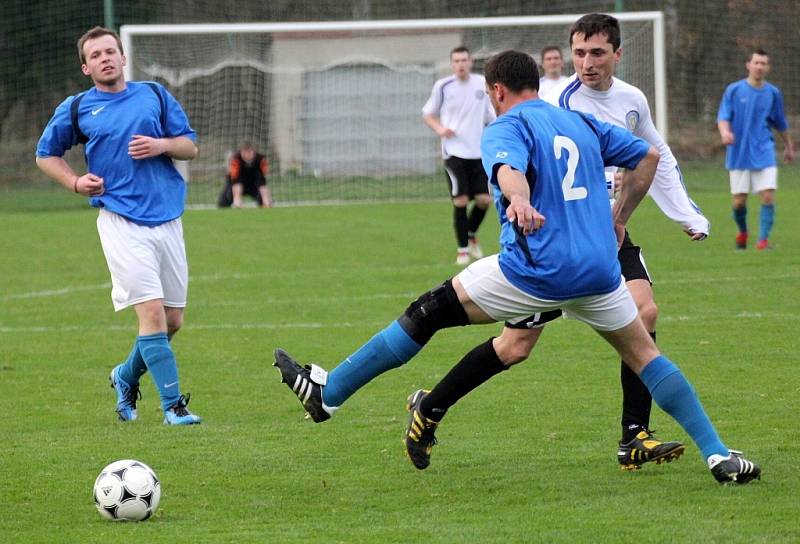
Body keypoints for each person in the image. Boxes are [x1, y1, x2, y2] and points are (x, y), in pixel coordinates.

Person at [274, 50, 760, 485]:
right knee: (644, 357)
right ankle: (718, 455)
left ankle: (328, 393)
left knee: (427, 313)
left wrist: (520, 200)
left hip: (536, 270)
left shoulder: (506, 126)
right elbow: (649, 155)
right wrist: (619, 220)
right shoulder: (578, 121)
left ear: (498, 91)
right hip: (598, 271)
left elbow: (508, 170)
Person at [536, 13, 712, 469]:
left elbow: (657, 154)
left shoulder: (632, 100)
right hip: (561, 236)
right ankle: (432, 405)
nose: (587, 63)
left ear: (618, 53)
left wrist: (684, 212)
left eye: (596, 53)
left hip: (608, 228)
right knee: (514, 347)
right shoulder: (560, 101)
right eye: (579, 53)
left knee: (645, 310)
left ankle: (633, 434)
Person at [35, 26, 201, 425]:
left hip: (167, 218)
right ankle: (173, 408)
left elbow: (189, 145)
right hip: (120, 221)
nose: (105, 58)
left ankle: (124, 377)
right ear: (85, 67)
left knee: (173, 320)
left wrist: (161, 145)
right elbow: (46, 154)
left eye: (111, 51)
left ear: (123, 58)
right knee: (153, 315)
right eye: (96, 55)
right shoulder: (77, 108)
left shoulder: (154, 95)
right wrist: (75, 182)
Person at [422, 46, 497, 265]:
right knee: (461, 200)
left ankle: (471, 233)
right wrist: (440, 129)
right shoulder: (443, 86)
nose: (461, 64)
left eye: (464, 60)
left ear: (471, 61)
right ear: (452, 63)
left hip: (478, 152)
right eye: (456, 61)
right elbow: (428, 113)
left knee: (484, 201)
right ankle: (462, 250)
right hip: (453, 152)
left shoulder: (481, 83)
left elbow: (490, 115)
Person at [717, 48, 794, 250]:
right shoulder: (734, 90)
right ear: (748, 65)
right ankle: (742, 232)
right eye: (756, 62)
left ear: (768, 67)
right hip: (738, 152)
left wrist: (788, 146)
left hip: (764, 150)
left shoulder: (773, 93)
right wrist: (725, 132)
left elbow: (780, 122)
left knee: (768, 196)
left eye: (763, 63)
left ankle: (763, 241)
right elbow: (723, 117)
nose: (759, 66)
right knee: (739, 202)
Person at [217, 142, 273, 208]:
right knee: (223, 203)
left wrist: (265, 199)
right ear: (241, 152)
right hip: (236, 185)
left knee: (264, 200)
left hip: (253, 185)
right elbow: (235, 179)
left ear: (253, 152)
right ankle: (235, 203)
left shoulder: (260, 159)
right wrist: (237, 199)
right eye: (245, 152)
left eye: (249, 152)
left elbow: (262, 181)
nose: (247, 154)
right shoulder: (235, 159)